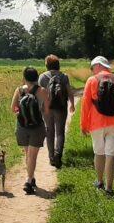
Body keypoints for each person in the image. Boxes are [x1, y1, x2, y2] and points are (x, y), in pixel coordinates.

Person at [80, 55, 114, 196]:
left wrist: (84, 124)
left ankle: (99, 181)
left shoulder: (91, 81)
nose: (92, 71)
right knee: (111, 154)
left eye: (92, 68)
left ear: (97, 66)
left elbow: (85, 105)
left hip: (96, 123)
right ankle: (109, 188)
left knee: (99, 152)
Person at [11, 66, 51, 195]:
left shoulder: (18, 90)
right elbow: (47, 111)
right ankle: (29, 180)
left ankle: (31, 178)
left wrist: (21, 113)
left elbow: (13, 108)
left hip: (22, 126)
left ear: (24, 77)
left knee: (28, 154)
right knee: (32, 155)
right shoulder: (43, 91)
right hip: (37, 127)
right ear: (36, 77)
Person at [38, 54, 74, 168]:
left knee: (49, 132)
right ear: (58, 65)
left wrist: (39, 108)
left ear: (47, 65)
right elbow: (69, 91)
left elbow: (39, 94)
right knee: (60, 132)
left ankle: (51, 157)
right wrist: (72, 104)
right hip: (61, 107)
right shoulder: (64, 76)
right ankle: (58, 155)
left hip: (47, 108)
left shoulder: (42, 77)